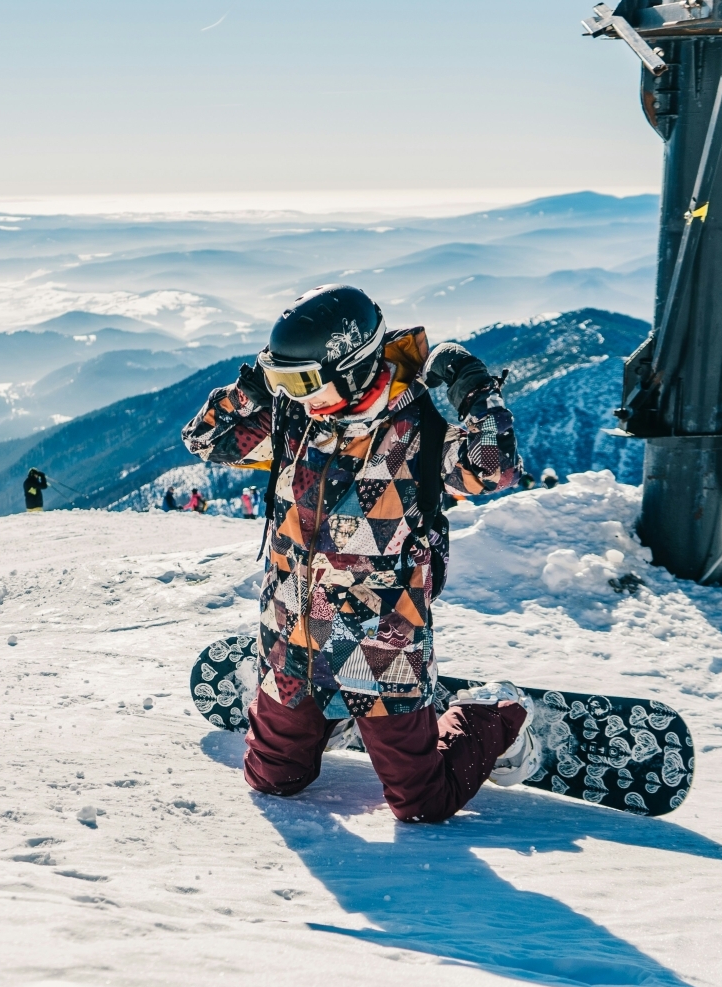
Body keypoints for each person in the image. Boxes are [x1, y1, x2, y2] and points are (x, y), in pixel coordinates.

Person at [182, 284, 527, 824]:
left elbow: (493, 469)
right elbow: (204, 440)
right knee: (273, 780)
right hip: (290, 633)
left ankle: (497, 712)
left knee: (421, 803)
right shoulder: (295, 419)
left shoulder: (417, 432)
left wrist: (476, 392)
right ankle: (335, 716)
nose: (294, 396)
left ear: (353, 366)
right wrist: (252, 390)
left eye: (303, 382)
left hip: (378, 640)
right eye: (282, 381)